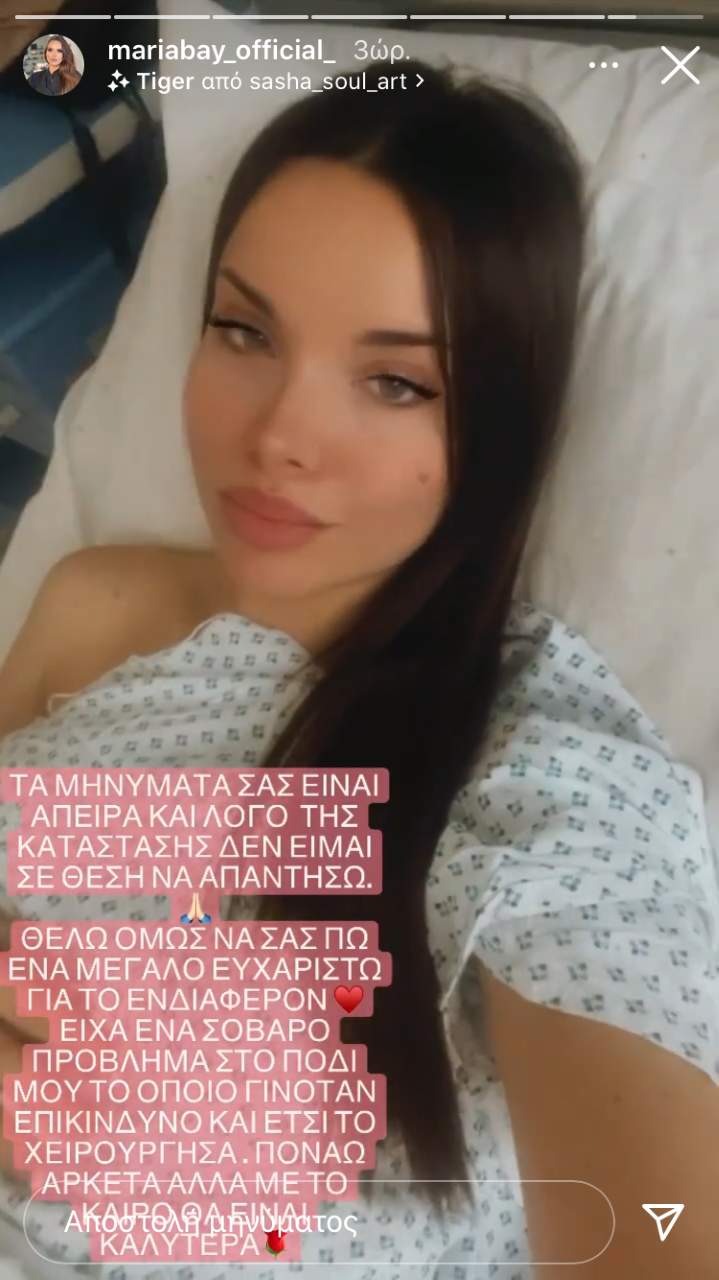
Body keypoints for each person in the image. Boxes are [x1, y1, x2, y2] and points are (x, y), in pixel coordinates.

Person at [0, 61, 717, 1279]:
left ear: (498, 422)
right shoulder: (97, 601)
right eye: (243, 330)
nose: (277, 434)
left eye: (395, 381)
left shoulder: (536, 755)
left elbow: (662, 1234)